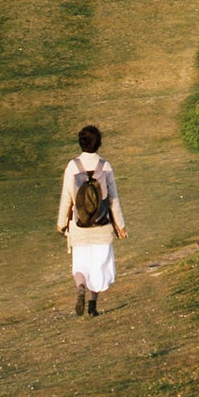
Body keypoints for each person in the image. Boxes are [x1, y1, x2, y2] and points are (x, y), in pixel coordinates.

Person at [55, 124, 125, 315]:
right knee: (98, 267)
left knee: (80, 266)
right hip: (101, 227)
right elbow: (113, 199)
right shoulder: (105, 166)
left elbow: (66, 198)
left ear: (81, 143)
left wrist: (61, 224)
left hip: (78, 228)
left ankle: (80, 288)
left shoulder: (72, 166)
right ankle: (93, 306)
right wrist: (120, 226)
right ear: (99, 143)